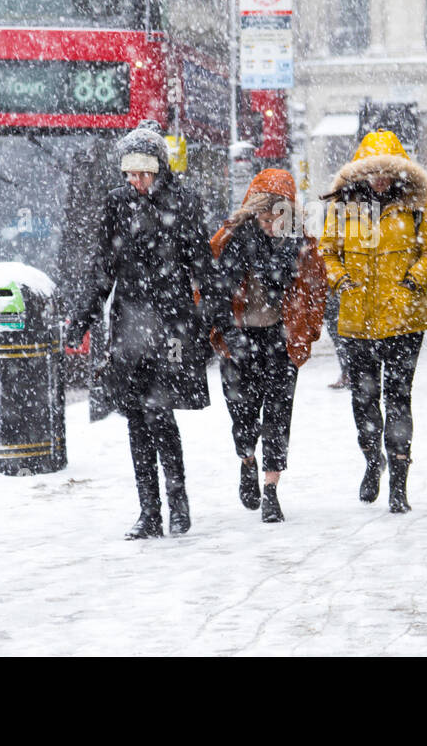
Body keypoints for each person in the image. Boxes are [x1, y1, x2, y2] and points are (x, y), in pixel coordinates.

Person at [60, 120, 213, 540]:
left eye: (143, 172)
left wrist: (217, 326)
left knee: (159, 414)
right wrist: (83, 318)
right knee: (136, 420)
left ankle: (176, 502)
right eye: (129, 173)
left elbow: (203, 268)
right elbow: (102, 269)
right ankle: (149, 511)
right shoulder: (116, 204)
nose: (136, 181)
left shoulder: (183, 203)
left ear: (160, 168)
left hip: (170, 326)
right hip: (128, 326)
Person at [319, 129, 427, 513]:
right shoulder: (342, 206)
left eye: (386, 172)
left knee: (399, 398)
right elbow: (328, 251)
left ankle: (399, 482)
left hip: (404, 319)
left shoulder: (418, 205)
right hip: (358, 319)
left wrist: (413, 280)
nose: (379, 179)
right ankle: (373, 460)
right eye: (372, 172)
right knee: (364, 398)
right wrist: (342, 281)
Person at [210, 169, 328, 523]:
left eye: (279, 213)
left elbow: (316, 291)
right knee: (242, 412)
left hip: (281, 339)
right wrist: (225, 333)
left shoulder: (301, 245)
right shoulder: (232, 239)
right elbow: (214, 290)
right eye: (264, 213)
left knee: (278, 415)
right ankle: (247, 458)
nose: (271, 221)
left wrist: (306, 332)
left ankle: (272, 489)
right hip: (239, 336)